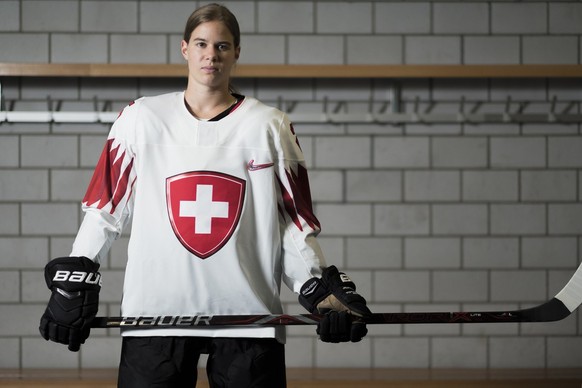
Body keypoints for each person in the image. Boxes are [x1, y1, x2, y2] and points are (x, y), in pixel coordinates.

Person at [38, 3, 371, 387]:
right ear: (185, 49)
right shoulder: (140, 118)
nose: (211, 55)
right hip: (156, 313)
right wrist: (75, 276)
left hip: (249, 314)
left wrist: (316, 287)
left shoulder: (270, 125)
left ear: (237, 52)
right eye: (201, 44)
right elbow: (105, 211)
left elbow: (291, 223)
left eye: (222, 46)